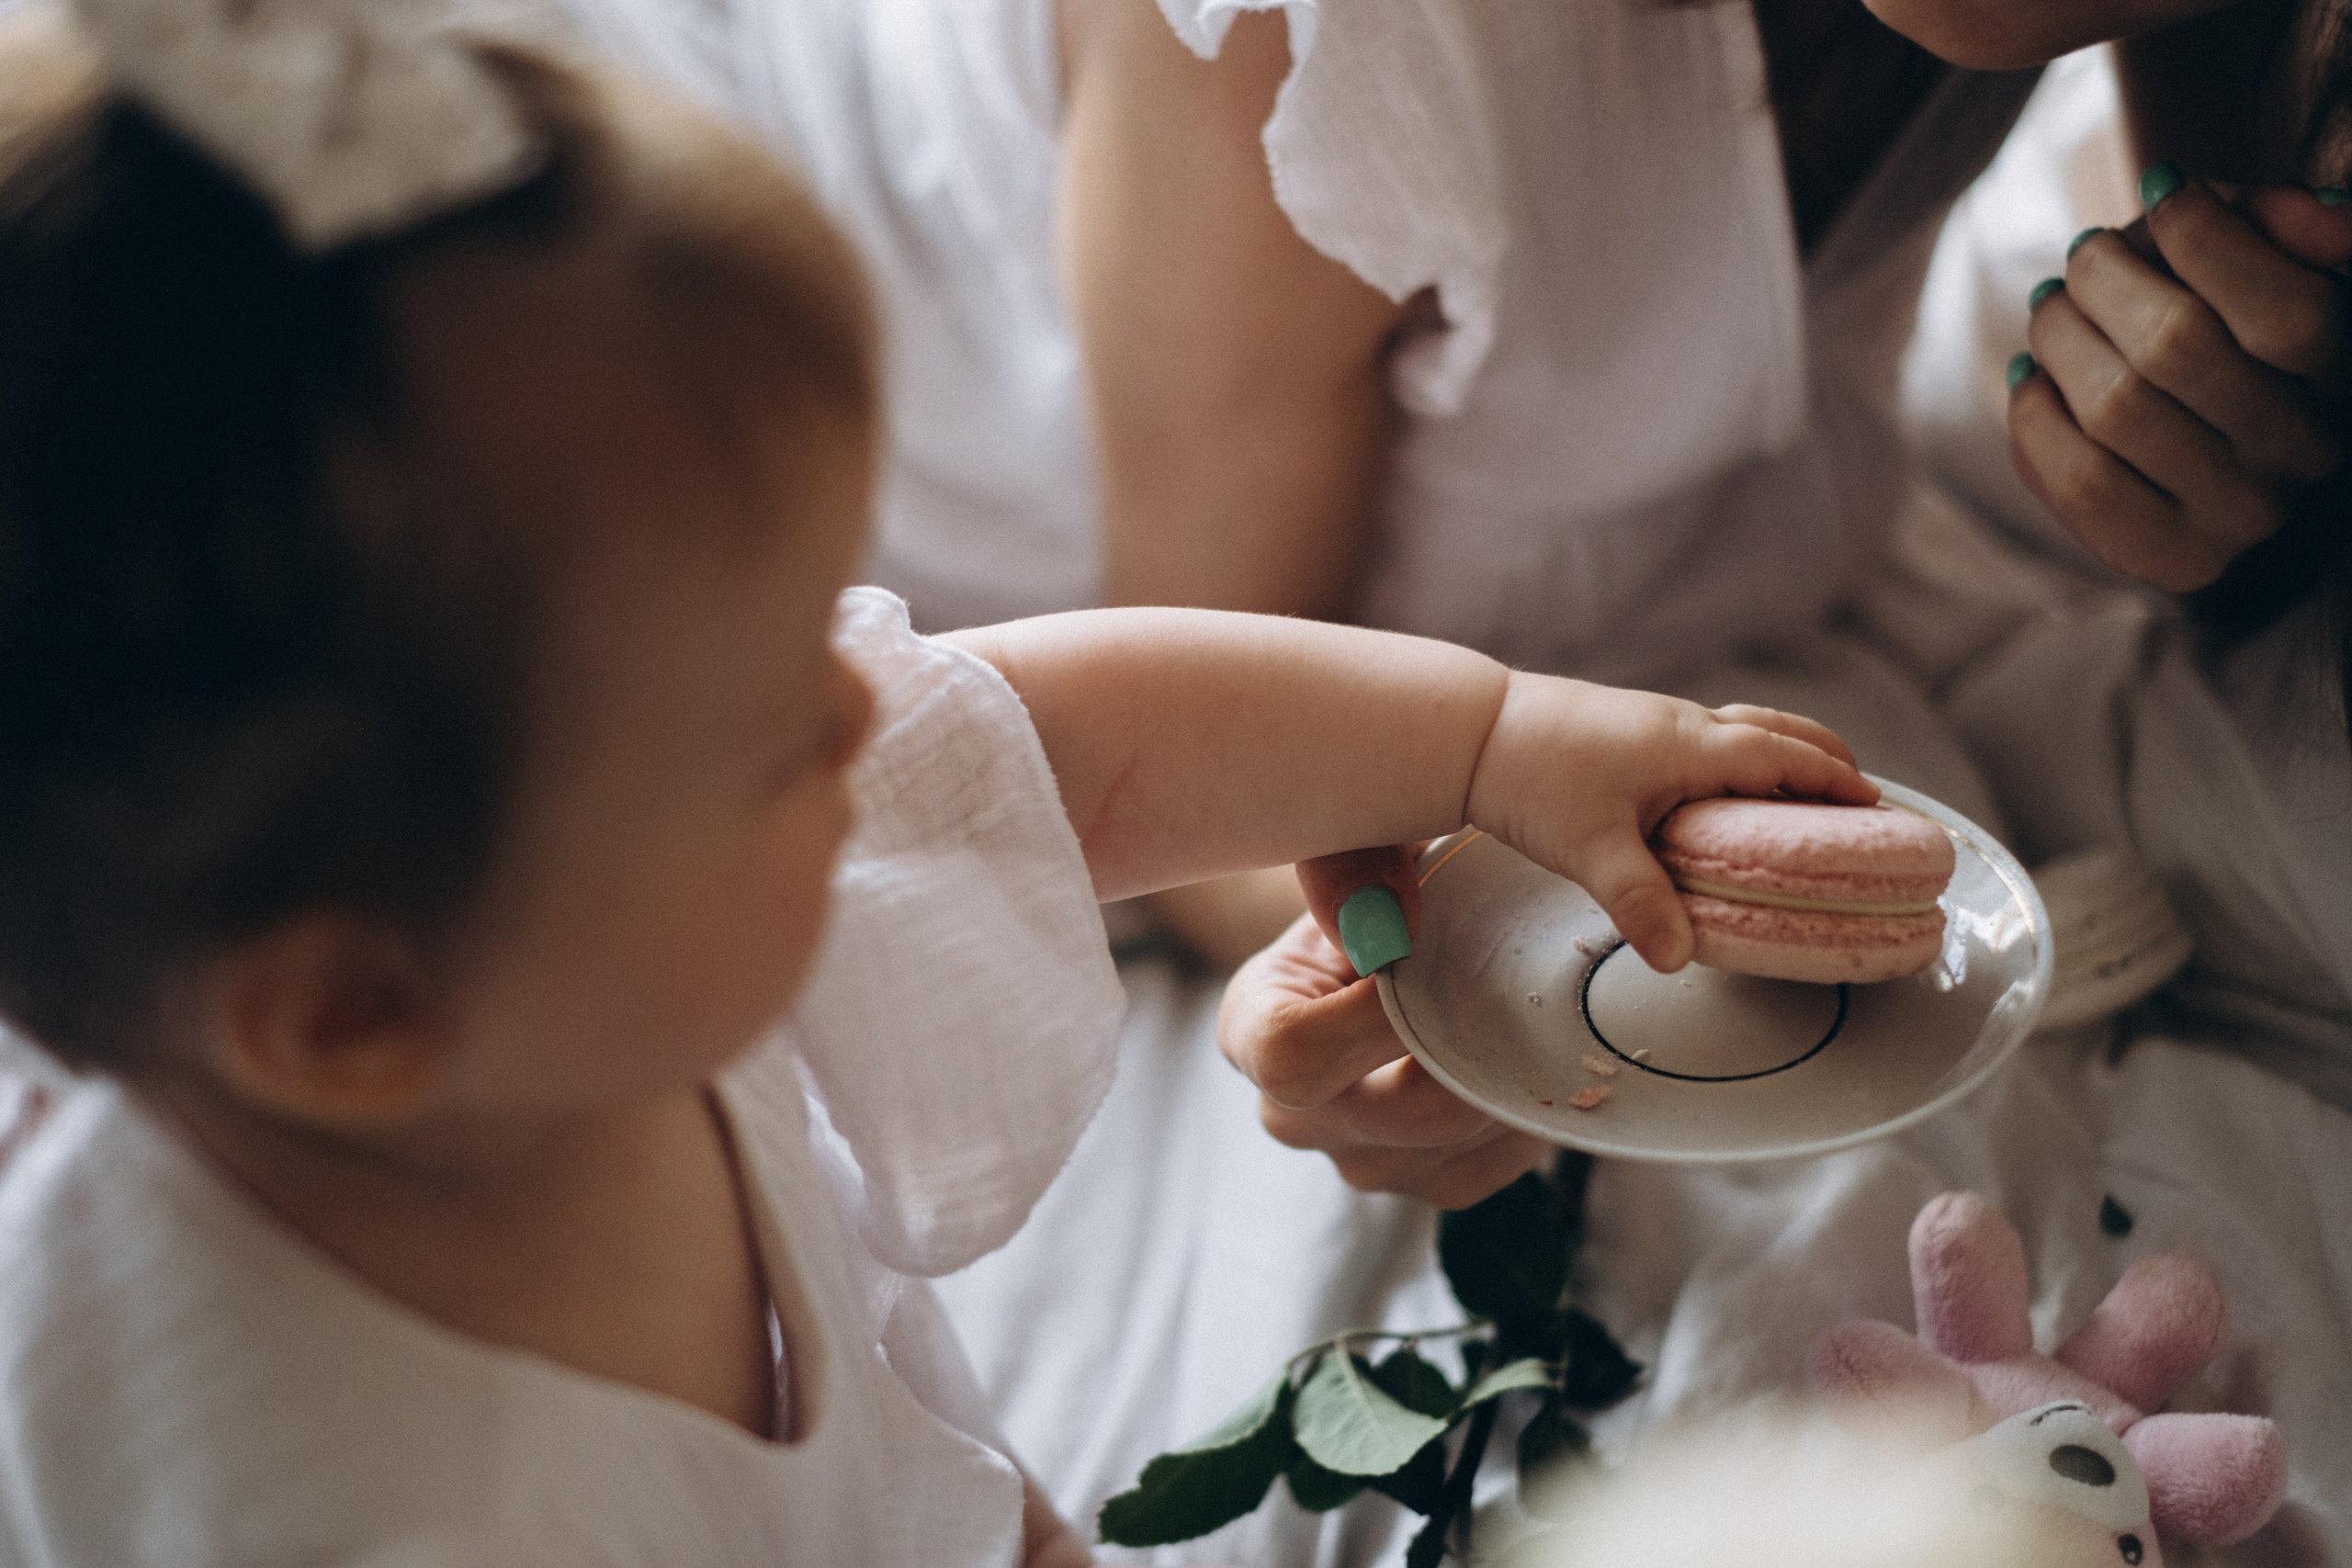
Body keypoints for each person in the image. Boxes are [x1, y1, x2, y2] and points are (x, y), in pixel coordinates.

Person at [0, 4, 1886, 1563]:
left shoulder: (537, 967)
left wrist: (1483, 740)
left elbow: (1088, 739)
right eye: (765, 728)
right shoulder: (326, 1503)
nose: (864, 711)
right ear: (354, 1010)